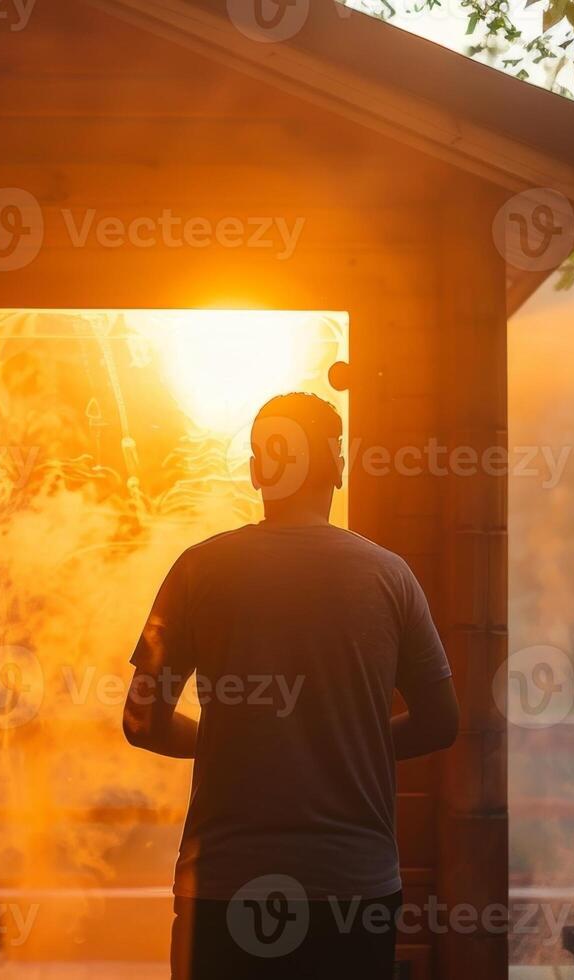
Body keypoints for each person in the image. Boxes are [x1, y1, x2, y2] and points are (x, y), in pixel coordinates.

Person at [123, 391, 459, 979]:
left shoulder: (197, 569)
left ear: (258, 470)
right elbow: (441, 721)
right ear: (336, 464)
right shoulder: (389, 577)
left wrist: (240, 740)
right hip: (354, 889)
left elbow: (140, 721)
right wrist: (348, 742)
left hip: (226, 886)